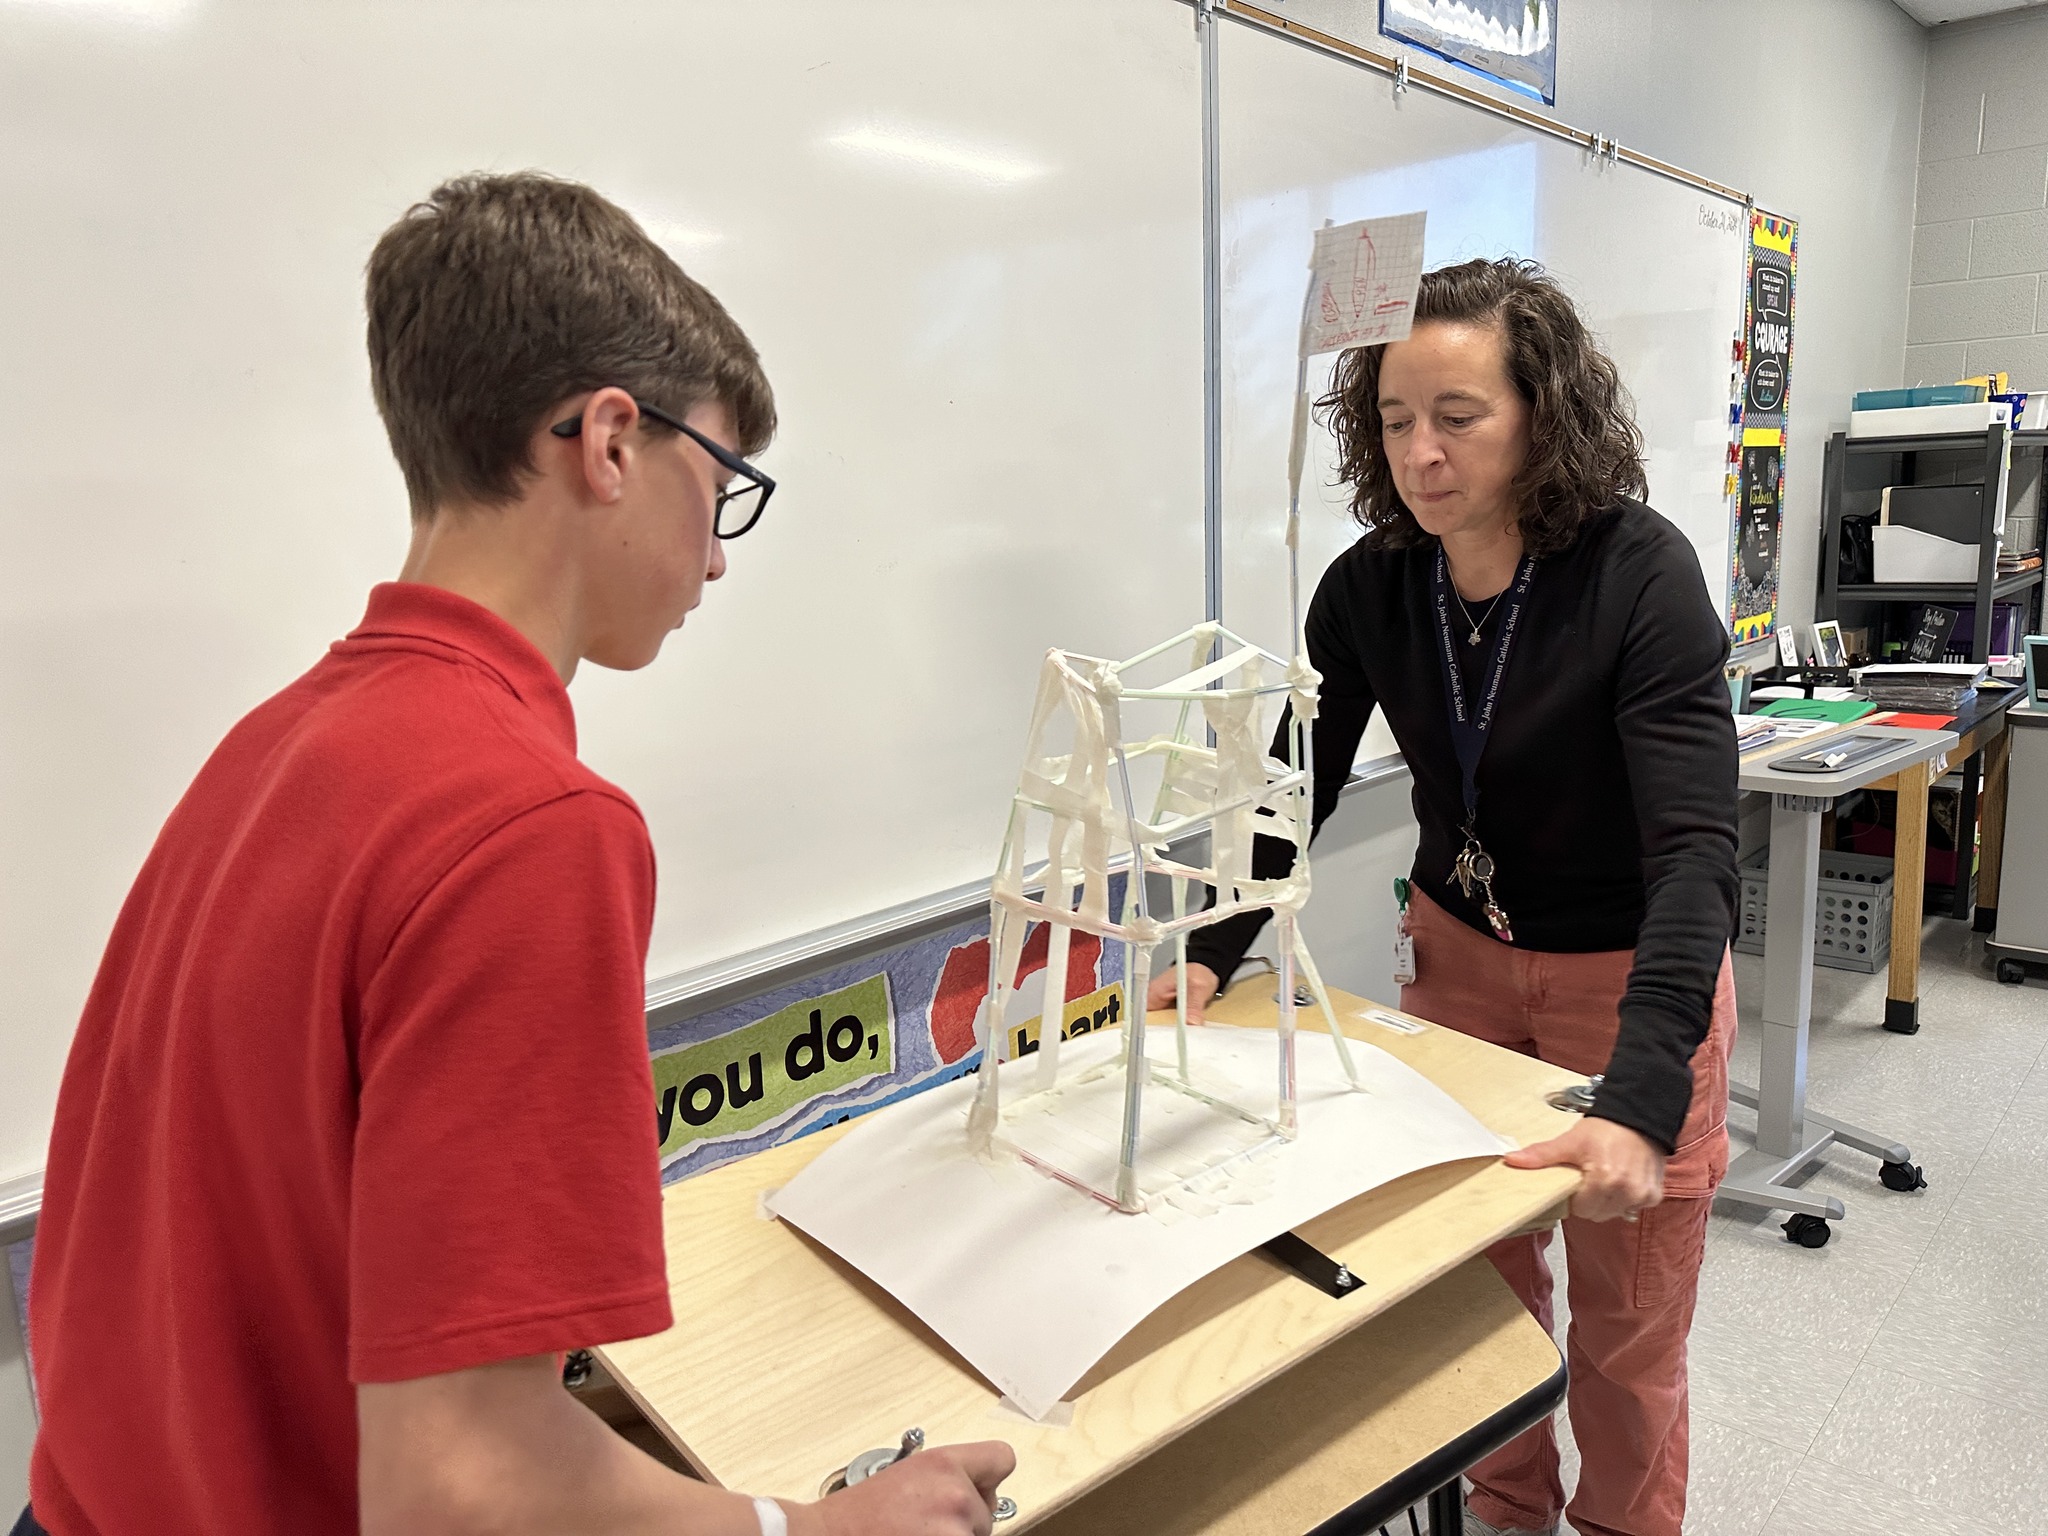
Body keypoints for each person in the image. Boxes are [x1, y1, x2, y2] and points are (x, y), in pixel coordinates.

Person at [18, 173, 1013, 1536]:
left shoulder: (275, 747)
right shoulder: (530, 828)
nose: (717, 559)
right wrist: (816, 1528)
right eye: (721, 485)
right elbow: (464, 1492)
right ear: (610, 441)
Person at [1153, 258, 1738, 1536]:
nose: (1420, 453)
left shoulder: (1639, 576)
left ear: (1542, 411)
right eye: (1392, 419)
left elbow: (1694, 850)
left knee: (1626, 1327)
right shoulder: (1369, 587)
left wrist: (1642, 1101)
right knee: (1480, 1287)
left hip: (1625, 974)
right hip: (1461, 956)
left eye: (1457, 417)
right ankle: (1506, 1509)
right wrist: (1211, 946)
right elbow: (1295, 783)